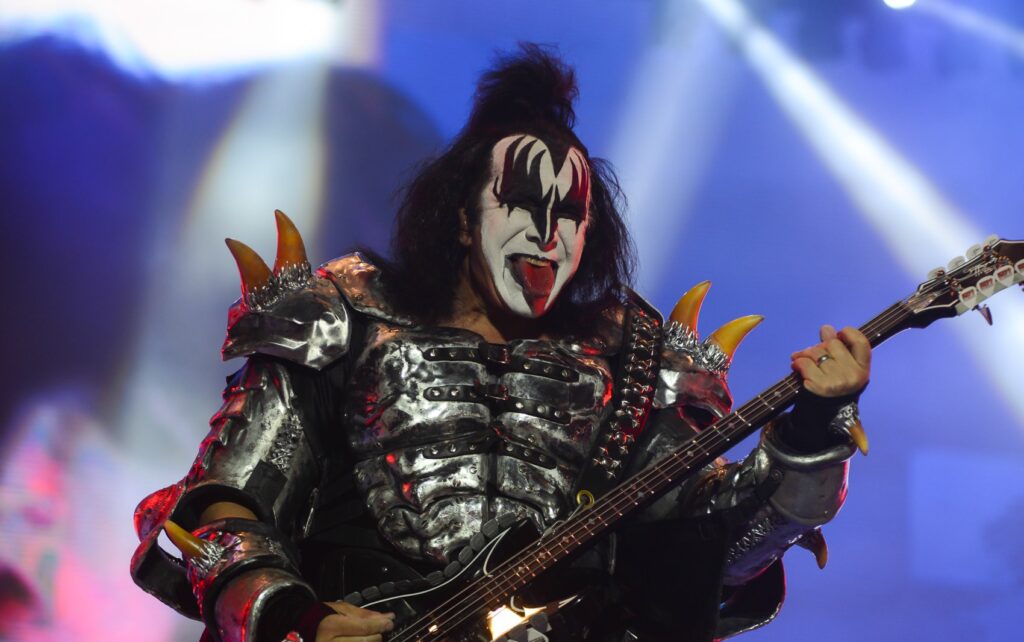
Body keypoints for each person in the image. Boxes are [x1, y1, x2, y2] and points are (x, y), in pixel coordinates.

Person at [131, 46, 871, 642]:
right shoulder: (343, 314)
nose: (547, 235)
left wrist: (813, 431)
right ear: (462, 217)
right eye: (520, 202)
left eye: (569, 213)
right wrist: (296, 619)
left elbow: (720, 555)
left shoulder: (637, 360)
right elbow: (222, 506)